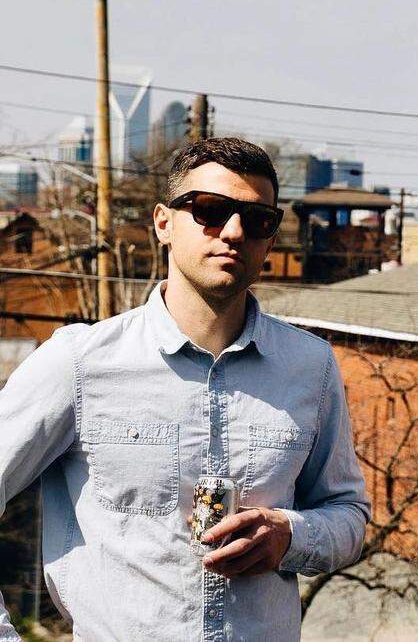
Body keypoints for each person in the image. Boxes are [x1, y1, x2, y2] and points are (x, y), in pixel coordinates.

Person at [0, 138, 370, 640]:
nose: (235, 232)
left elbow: (348, 515)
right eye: (211, 211)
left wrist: (291, 535)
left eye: (258, 219)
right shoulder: (81, 363)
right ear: (163, 223)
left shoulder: (311, 367)